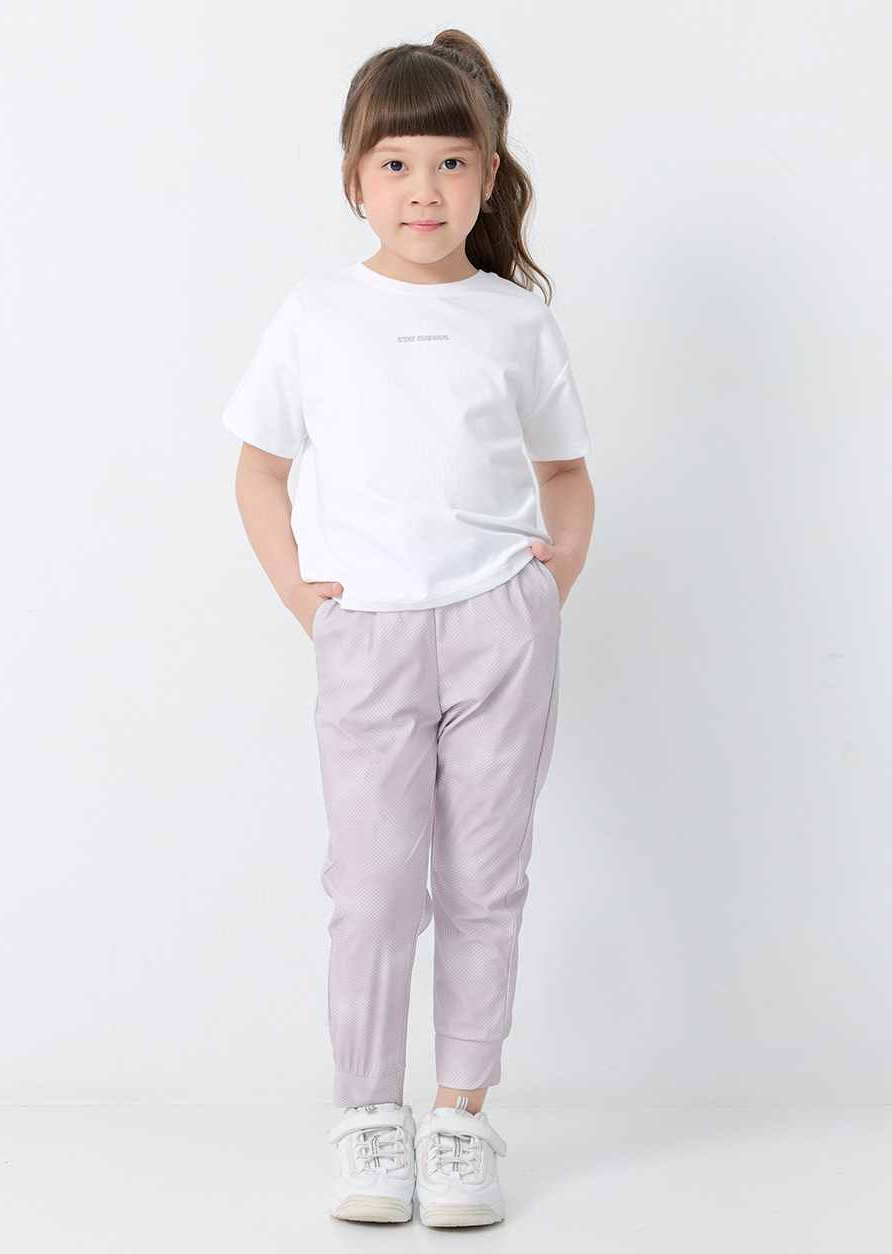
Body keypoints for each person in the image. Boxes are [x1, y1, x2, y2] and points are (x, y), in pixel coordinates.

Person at [220, 29, 595, 1228]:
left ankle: (461, 1116)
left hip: (499, 629)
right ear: (353, 179)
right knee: (374, 886)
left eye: (449, 162)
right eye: (394, 164)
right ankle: (369, 1116)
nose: (422, 189)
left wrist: (546, 587)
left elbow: (565, 474)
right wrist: (302, 596)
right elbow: (259, 469)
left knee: (485, 880)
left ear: (488, 176)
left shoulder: (515, 319)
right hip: (368, 632)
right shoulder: (318, 310)